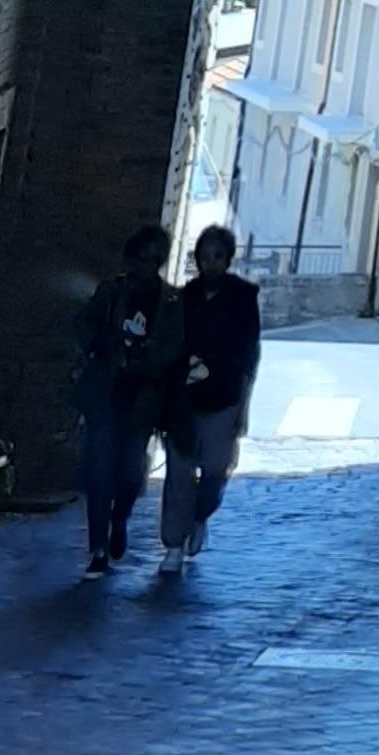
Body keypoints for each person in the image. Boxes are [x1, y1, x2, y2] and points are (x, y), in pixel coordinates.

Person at [151, 223, 261, 577]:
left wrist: (243, 404)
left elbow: (248, 354)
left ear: (227, 260)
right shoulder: (183, 298)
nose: (209, 264)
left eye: (217, 257)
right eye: (204, 256)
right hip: (184, 398)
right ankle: (172, 545)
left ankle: (200, 516)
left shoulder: (243, 297)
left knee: (215, 470)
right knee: (179, 473)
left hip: (224, 396)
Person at [73, 222, 170, 576]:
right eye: (139, 258)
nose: (145, 265)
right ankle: (98, 547)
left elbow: (175, 347)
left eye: (152, 259)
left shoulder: (169, 302)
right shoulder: (110, 293)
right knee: (99, 471)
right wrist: (102, 347)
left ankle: (120, 517)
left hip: (142, 398)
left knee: (130, 472)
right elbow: (83, 326)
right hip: (106, 393)